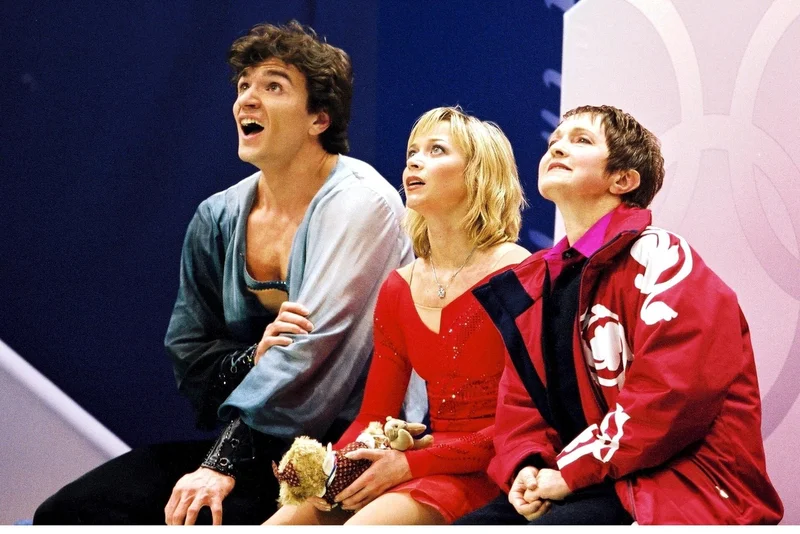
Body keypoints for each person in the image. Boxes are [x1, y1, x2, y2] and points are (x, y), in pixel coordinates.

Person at [33, 21, 414, 525]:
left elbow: (309, 353)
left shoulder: (363, 204)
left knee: (205, 515)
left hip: (350, 453)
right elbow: (190, 359)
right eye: (244, 86)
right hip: (260, 445)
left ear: (318, 118)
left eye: (273, 86)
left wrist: (220, 464)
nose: (246, 100)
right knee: (68, 513)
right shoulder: (217, 216)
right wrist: (252, 357)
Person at [455, 105, 784, 525]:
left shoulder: (663, 258)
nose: (557, 148)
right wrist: (527, 465)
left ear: (623, 180)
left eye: (581, 140)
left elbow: (670, 397)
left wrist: (570, 472)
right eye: (554, 141)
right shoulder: (537, 280)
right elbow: (522, 402)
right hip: (584, 478)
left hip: (676, 485)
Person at [266, 106, 530, 525]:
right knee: (285, 521)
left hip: (494, 468)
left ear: (479, 174)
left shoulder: (520, 272)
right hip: (418, 462)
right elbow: (373, 417)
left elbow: (526, 422)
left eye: (436, 150)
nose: (414, 162)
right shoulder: (398, 287)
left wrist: (409, 465)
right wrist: (329, 470)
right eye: (412, 152)